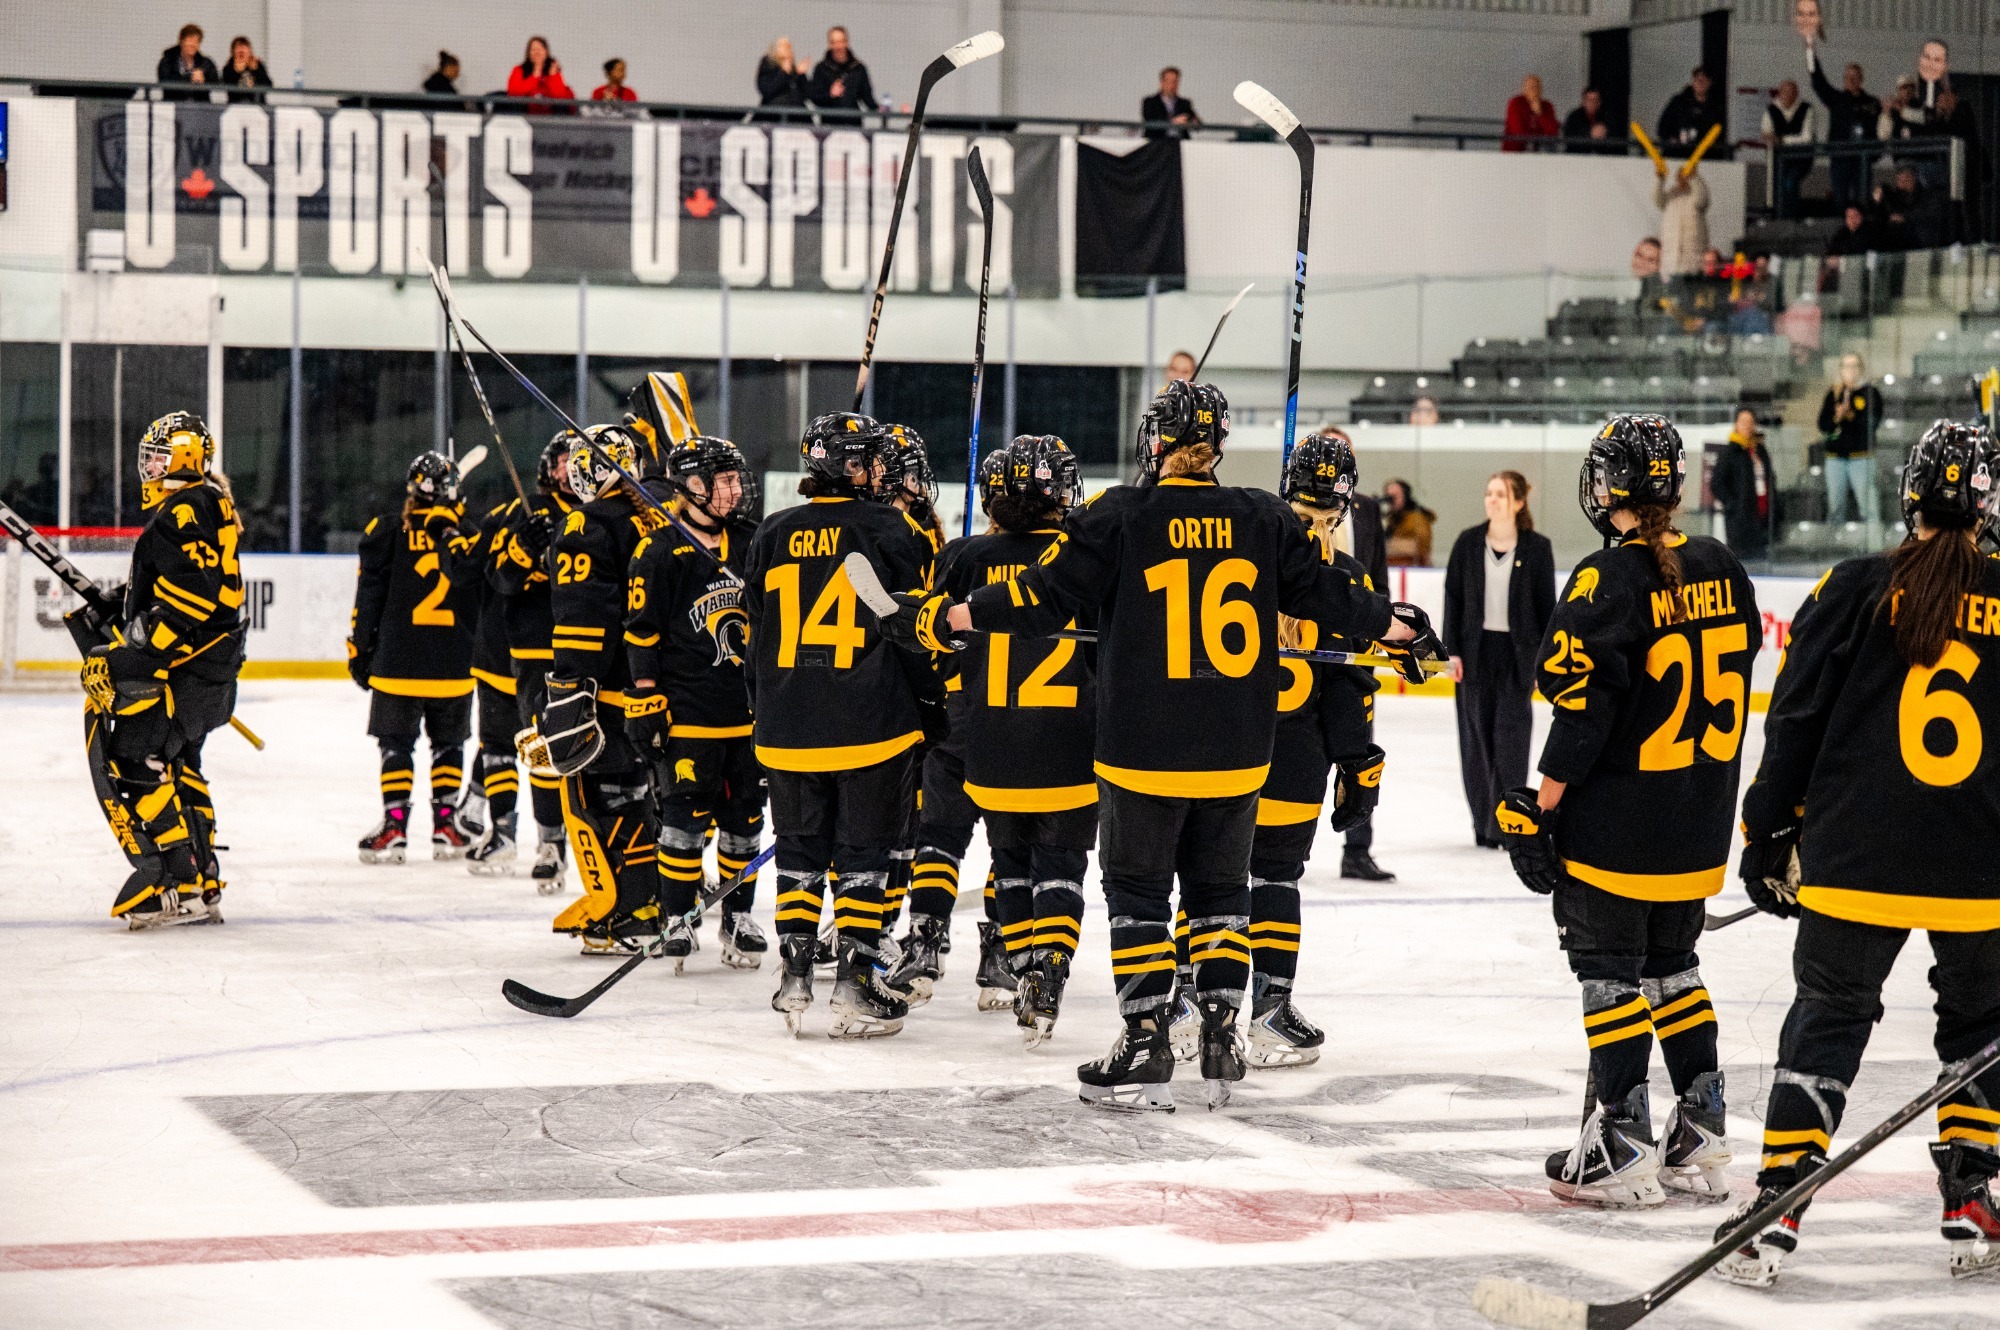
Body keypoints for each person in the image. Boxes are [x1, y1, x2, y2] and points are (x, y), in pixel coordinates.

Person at [882, 380, 1435, 1112]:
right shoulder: (1263, 515)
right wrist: (1400, 628)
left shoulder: (1121, 514)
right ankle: (1222, 1031)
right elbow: (1334, 599)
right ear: (1218, 447)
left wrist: (951, 615)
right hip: (1238, 751)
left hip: (1142, 750)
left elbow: (1039, 597)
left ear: (1155, 443)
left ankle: (1145, 1036)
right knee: (1220, 893)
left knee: (1140, 893)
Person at [1719, 420, 2000, 1286]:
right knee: (1981, 1030)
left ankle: (1776, 1208)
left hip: (1856, 856)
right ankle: (1973, 1201)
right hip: (1979, 868)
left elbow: (1794, 718)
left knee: (1828, 1023)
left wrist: (1767, 831)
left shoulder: (1853, 587)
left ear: (1906, 495)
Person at [1498, 414, 1761, 1209]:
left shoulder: (1602, 578)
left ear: (1608, 487)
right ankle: (1702, 1128)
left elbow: (1581, 713)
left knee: (1609, 973)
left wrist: (1541, 809)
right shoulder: (1721, 564)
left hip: (1620, 825)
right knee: (1674, 969)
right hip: (1696, 824)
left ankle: (1620, 1137)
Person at [742, 413, 934, 1038]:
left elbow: (754, 641)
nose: (882, 471)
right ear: (849, 467)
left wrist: (765, 709)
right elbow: (914, 636)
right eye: (872, 461)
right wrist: (932, 710)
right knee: (862, 854)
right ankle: (855, 981)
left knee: (798, 852)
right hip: (869, 723)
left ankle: (795, 972)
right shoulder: (893, 530)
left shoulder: (771, 533)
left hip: (786, 724)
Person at [913, 435, 1098, 1046]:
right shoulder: (1086, 555)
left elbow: (938, 646)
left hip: (990, 740)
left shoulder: (964, 557)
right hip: (1072, 740)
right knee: (1062, 867)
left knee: (1011, 864)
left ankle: (1020, 967)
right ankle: (1050, 969)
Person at [1225, 431, 1391, 1068]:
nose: (1320, 525)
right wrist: (1357, 758)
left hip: (1232, 750)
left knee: (1216, 881)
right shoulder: (1344, 578)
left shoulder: (1244, 558)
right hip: (1296, 758)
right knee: (1274, 879)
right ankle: (1269, 1011)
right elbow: (1351, 683)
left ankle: (1194, 1004)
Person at [75, 412, 244, 929]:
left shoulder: (182, 510)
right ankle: (202, 875)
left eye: (159, 456)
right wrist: (127, 607)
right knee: (179, 761)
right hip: (213, 670)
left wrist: (127, 655)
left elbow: (191, 599)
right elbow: (190, 586)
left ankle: (171, 877)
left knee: (132, 758)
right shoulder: (212, 501)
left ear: (188, 458)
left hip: (186, 672)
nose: (148, 465)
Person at [624, 436, 766, 972]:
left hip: (749, 715)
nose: (734, 489)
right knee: (682, 824)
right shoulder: (659, 550)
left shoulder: (755, 541)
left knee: (746, 822)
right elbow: (641, 634)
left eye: (735, 479)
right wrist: (645, 699)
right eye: (723, 480)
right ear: (693, 487)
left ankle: (738, 916)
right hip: (689, 714)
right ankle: (678, 918)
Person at [533, 425, 667, 956]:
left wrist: (568, 687)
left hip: (610, 691)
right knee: (640, 794)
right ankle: (655, 902)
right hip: (654, 687)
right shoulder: (655, 516)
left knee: (605, 796)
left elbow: (583, 618)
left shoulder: (586, 524)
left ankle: (630, 910)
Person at [899, 447, 1012, 1013]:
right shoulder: (1063, 557)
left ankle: (924, 940)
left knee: (939, 837)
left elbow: (932, 636)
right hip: (1029, 727)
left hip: (963, 717)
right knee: (1008, 848)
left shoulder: (961, 553)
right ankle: (999, 950)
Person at [348, 453, 481, 865]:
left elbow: (369, 596)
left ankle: (394, 827)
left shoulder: (387, 530)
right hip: (454, 662)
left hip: (398, 660)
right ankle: (445, 824)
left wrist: (360, 647)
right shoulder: (468, 536)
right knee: (448, 745)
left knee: (396, 746)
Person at [489, 432, 582, 893]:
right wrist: (524, 548)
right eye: (561, 460)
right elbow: (499, 580)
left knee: (600, 756)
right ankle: (550, 846)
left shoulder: (601, 515)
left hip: (590, 651)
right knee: (543, 752)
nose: (568, 469)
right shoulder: (528, 514)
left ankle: (602, 852)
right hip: (537, 653)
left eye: (576, 461)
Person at [1443, 471, 1556, 848]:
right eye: (1489, 492)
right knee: (1475, 741)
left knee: (1511, 741)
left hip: (1517, 656)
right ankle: (1481, 823)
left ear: (1518, 502)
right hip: (1475, 655)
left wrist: (1543, 662)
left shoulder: (1537, 548)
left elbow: (1547, 610)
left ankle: (1507, 823)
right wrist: (1450, 650)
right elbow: (1453, 600)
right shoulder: (1468, 543)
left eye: (1500, 494)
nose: (1492, 500)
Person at [461, 493, 527, 873]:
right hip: (550, 655)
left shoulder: (498, 516)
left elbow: (463, 569)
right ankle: (553, 845)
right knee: (524, 747)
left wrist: (451, 528)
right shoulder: (586, 520)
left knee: (502, 744)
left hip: (504, 651)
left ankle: (502, 829)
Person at [1806, 48, 1881, 208]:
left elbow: (1881, 130)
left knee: (1863, 203)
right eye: (1847, 77)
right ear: (1843, 80)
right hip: (1840, 158)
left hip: (1863, 159)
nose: (1851, 81)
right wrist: (1810, 52)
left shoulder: (1873, 103)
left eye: (1855, 77)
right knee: (1840, 202)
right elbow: (1817, 81)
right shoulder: (1836, 100)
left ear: (1862, 80)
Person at [1819, 352, 1882, 525]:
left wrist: (1850, 415)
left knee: (1868, 506)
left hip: (1861, 457)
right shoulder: (1833, 393)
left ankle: (1875, 547)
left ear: (1860, 369)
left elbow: (1872, 423)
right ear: (1841, 370)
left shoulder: (1870, 393)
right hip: (1835, 458)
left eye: (1854, 366)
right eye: (1846, 366)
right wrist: (1837, 419)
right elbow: (1823, 425)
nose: (1850, 370)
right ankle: (1835, 547)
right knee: (1835, 507)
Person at [1711, 407, 1781, 560]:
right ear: (1736, 424)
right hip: (1740, 521)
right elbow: (1716, 483)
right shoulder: (1730, 452)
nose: (1747, 426)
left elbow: (1769, 478)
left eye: (1750, 422)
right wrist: (1733, 505)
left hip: (1762, 517)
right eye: (1743, 422)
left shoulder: (1760, 450)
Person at [1763, 80, 1815, 217]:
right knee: (1778, 188)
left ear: (1797, 94)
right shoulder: (1771, 109)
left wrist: (1782, 140)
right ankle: (1780, 217)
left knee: (1790, 182)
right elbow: (1766, 134)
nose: (1788, 95)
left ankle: (1791, 217)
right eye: (1785, 92)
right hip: (1778, 160)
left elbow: (1807, 137)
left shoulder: (1806, 109)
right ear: (1779, 93)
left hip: (1801, 159)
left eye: (1792, 92)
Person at [1653, 164, 1712, 278]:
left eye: (1686, 176)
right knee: (1670, 291)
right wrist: (1659, 179)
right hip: (1670, 258)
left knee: (1692, 290)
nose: (1683, 179)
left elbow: (1702, 198)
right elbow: (1656, 198)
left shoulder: (1696, 197)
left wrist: (1694, 178)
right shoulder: (1670, 197)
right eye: (1680, 176)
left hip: (1693, 258)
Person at [1658, 67, 1726, 159]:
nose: (1700, 84)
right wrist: (1671, 139)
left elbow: (1719, 132)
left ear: (1709, 83)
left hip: (1706, 157)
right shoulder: (1678, 102)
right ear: (1693, 81)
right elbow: (1663, 127)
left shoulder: (1716, 107)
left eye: (1703, 81)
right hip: (1676, 154)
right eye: (1697, 80)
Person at [809, 27, 874, 112]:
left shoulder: (858, 68)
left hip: (853, 121)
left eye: (841, 42)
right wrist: (830, 95)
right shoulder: (821, 69)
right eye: (834, 42)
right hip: (830, 122)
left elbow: (867, 98)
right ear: (829, 44)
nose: (838, 46)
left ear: (846, 42)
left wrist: (879, 108)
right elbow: (815, 98)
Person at [1381, 478, 1435, 566]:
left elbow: (1421, 546)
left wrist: (1388, 545)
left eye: (1395, 496)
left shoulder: (1417, 519)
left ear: (1405, 496)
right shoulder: (1394, 520)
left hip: (1413, 569)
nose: (1391, 501)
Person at [506, 37, 574, 103]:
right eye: (533, 49)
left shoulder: (552, 71)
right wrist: (534, 76)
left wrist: (554, 76)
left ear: (546, 52)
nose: (537, 53)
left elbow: (561, 97)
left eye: (539, 49)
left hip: (550, 111)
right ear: (529, 53)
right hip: (528, 109)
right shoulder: (519, 70)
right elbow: (513, 93)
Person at [1503, 75, 1560, 152]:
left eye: (1537, 87)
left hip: (1540, 149)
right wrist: (1538, 135)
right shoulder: (1516, 103)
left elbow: (1553, 131)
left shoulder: (1547, 105)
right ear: (1524, 89)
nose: (1534, 90)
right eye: (1531, 87)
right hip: (1517, 150)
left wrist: (1540, 114)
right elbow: (1517, 130)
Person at [1142, 66, 1199, 139]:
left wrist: (1193, 122)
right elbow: (1151, 121)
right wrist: (1173, 122)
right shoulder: (1150, 102)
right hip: (1157, 143)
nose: (1172, 85)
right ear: (1162, 83)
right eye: (1168, 81)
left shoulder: (1184, 103)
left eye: (1174, 82)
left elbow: (1196, 122)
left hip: (1180, 143)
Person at [757, 37, 810, 107]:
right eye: (785, 46)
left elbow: (807, 94)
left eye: (789, 47)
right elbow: (767, 89)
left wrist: (800, 75)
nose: (789, 50)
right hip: (775, 113)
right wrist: (785, 73)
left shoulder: (794, 70)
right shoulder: (768, 66)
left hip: (796, 113)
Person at [1563, 87, 1617, 154]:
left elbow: (1615, 139)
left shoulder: (1607, 117)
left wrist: (1604, 134)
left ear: (1599, 103)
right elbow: (1569, 139)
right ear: (1583, 102)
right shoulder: (1574, 117)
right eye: (1589, 100)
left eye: (1595, 100)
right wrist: (1589, 134)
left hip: (1602, 159)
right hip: (1578, 157)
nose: (1592, 103)